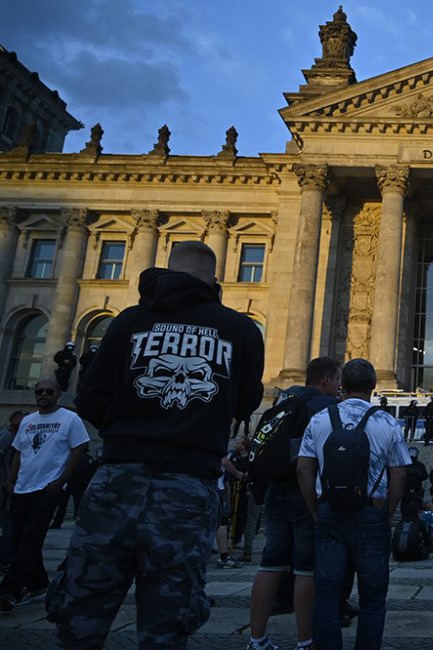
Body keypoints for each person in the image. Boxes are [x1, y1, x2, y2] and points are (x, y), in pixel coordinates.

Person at [50, 240, 265, 648]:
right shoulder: (240, 329)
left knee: (82, 610)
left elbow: (90, 397)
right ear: (215, 281)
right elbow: (246, 401)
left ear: (166, 270)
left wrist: (131, 429)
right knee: (168, 619)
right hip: (188, 486)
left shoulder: (128, 321)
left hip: (116, 479)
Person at [297, 358, 409, 650]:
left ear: (342, 385)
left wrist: (314, 508)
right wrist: (387, 512)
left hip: (328, 512)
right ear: (373, 386)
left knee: (326, 597)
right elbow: (399, 473)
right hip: (371, 514)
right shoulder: (387, 421)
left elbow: (303, 468)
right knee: (372, 600)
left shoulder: (320, 419)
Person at [248, 357, 342, 650]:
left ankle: (257, 639)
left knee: (270, 565)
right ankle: (305, 642)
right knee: (306, 571)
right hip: (304, 493)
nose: (340, 386)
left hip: (275, 490)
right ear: (325, 380)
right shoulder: (322, 406)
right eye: (338, 379)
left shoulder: (283, 400)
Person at [0, 379, 89, 611]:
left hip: (48, 488)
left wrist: (61, 481)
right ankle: (39, 584)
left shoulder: (70, 419)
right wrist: (10, 480)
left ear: (58, 394)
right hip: (22, 488)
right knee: (20, 537)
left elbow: (79, 449)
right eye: (39, 391)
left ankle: (10, 589)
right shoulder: (28, 421)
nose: (44, 395)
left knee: (32, 537)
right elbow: (19, 451)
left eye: (49, 391)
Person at [0, 410, 26, 570]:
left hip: (12, 485)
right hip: (7, 486)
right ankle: (6, 559)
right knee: (10, 521)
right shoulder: (8, 436)